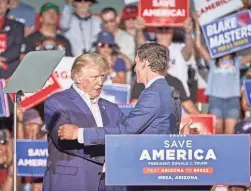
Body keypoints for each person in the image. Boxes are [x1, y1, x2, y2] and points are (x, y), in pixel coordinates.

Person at [58, 42, 178, 148]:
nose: (134, 69)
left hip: (146, 163)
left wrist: (79, 134)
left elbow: (127, 130)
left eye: (136, 63)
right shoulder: (171, 92)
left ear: (145, 63)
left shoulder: (153, 94)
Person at [43, 53, 123, 191]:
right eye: (94, 77)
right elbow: (64, 141)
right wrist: (106, 156)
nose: (100, 82)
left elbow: (124, 139)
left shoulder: (113, 109)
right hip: (72, 183)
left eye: (102, 76)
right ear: (77, 77)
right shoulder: (56, 102)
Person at [194, 14, 251, 134]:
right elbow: (199, 46)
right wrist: (197, 23)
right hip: (216, 100)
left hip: (233, 101)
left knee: (230, 134)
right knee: (217, 133)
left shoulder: (237, 61)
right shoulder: (213, 62)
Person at [0, 0, 24, 79]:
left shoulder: (17, 26)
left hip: (9, 73)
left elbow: (17, 47)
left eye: (3, 1)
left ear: (8, 5)